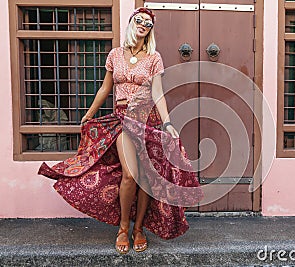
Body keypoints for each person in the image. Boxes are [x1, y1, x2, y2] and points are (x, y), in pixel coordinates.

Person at [38, 7, 203, 254]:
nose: (143, 25)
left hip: (147, 120)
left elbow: (158, 93)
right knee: (130, 175)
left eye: (148, 23)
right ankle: (123, 228)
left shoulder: (154, 57)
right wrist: (90, 113)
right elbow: (105, 89)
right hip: (122, 120)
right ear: (131, 23)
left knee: (146, 178)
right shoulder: (115, 54)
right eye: (139, 20)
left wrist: (168, 122)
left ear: (150, 30)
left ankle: (138, 229)